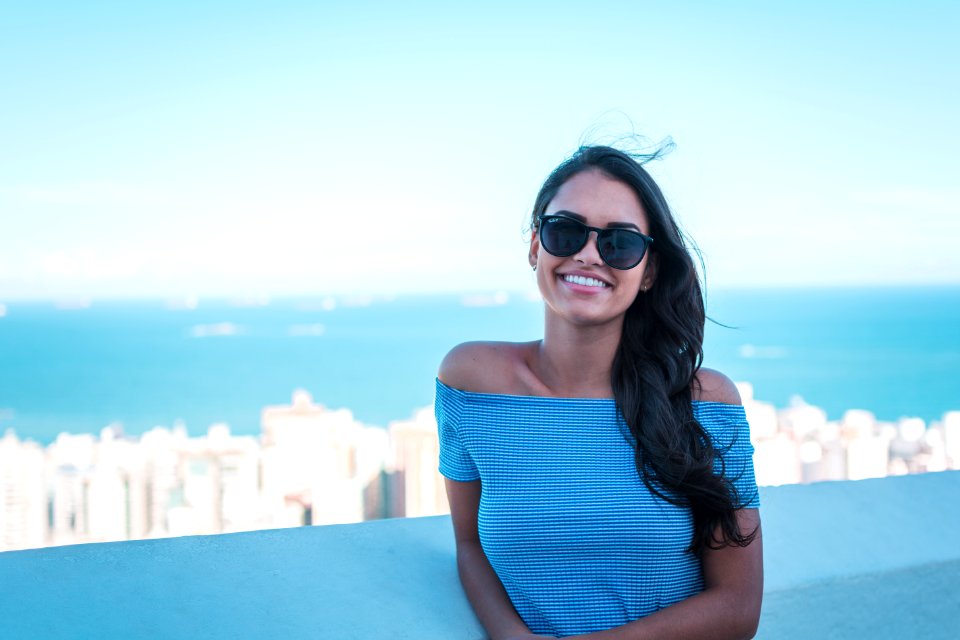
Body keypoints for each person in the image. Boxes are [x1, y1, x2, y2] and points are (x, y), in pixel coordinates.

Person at [436, 144, 763, 640]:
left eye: (620, 242)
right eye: (565, 231)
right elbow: (469, 546)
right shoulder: (470, 382)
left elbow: (738, 608)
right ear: (534, 247)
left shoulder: (706, 403)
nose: (587, 254)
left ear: (649, 270)